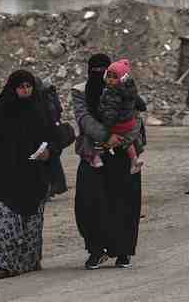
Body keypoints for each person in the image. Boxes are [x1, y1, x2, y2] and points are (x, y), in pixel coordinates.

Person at [0, 70, 73, 279]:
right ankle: (6, 264)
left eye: (28, 86)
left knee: (31, 225)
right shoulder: (0, 110)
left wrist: (50, 151)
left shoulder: (40, 109)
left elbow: (56, 137)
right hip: (1, 178)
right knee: (4, 223)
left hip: (33, 177)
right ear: (13, 88)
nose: (25, 90)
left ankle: (28, 262)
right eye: (21, 87)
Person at [73, 53, 143, 270]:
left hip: (123, 151)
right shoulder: (80, 90)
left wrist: (122, 138)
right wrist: (106, 137)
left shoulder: (123, 85)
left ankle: (123, 251)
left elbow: (137, 115)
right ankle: (96, 250)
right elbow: (84, 118)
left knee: (124, 204)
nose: (100, 75)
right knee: (89, 204)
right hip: (93, 153)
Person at [90, 59, 145, 174]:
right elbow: (142, 105)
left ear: (121, 79)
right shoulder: (130, 90)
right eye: (108, 76)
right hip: (129, 124)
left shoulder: (112, 92)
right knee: (128, 142)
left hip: (117, 124)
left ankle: (96, 157)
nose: (110, 80)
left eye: (114, 77)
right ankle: (134, 159)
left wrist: (106, 125)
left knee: (99, 136)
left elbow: (111, 112)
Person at [38, 78, 68, 198]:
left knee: (50, 161)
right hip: (54, 134)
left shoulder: (44, 99)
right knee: (52, 161)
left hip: (50, 135)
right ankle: (55, 187)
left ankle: (52, 187)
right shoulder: (50, 96)